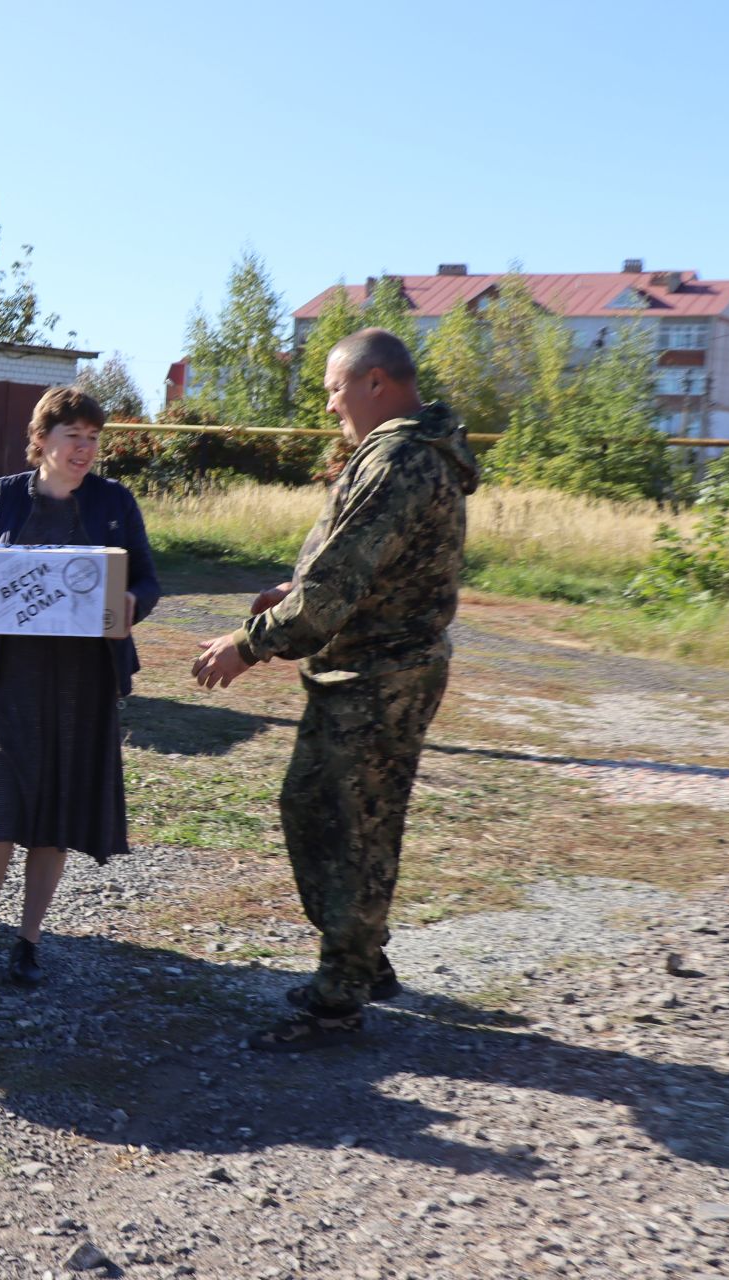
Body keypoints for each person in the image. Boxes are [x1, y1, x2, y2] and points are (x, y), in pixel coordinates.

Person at [191, 327, 477, 1051]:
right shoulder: (401, 453)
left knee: (355, 833)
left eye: (335, 387)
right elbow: (362, 565)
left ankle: (338, 1002)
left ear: (376, 382)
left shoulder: (403, 459)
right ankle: (361, 959)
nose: (329, 404)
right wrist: (293, 588)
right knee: (313, 809)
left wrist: (247, 646)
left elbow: (335, 590)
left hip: (381, 677)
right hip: (361, 668)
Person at [0, 386, 161, 985]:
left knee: (55, 813)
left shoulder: (114, 503)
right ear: (42, 441)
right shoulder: (2, 497)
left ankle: (29, 944)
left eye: (92, 439)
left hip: (79, 688)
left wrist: (132, 601)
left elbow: (148, 581)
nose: (84, 450)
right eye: (72, 437)